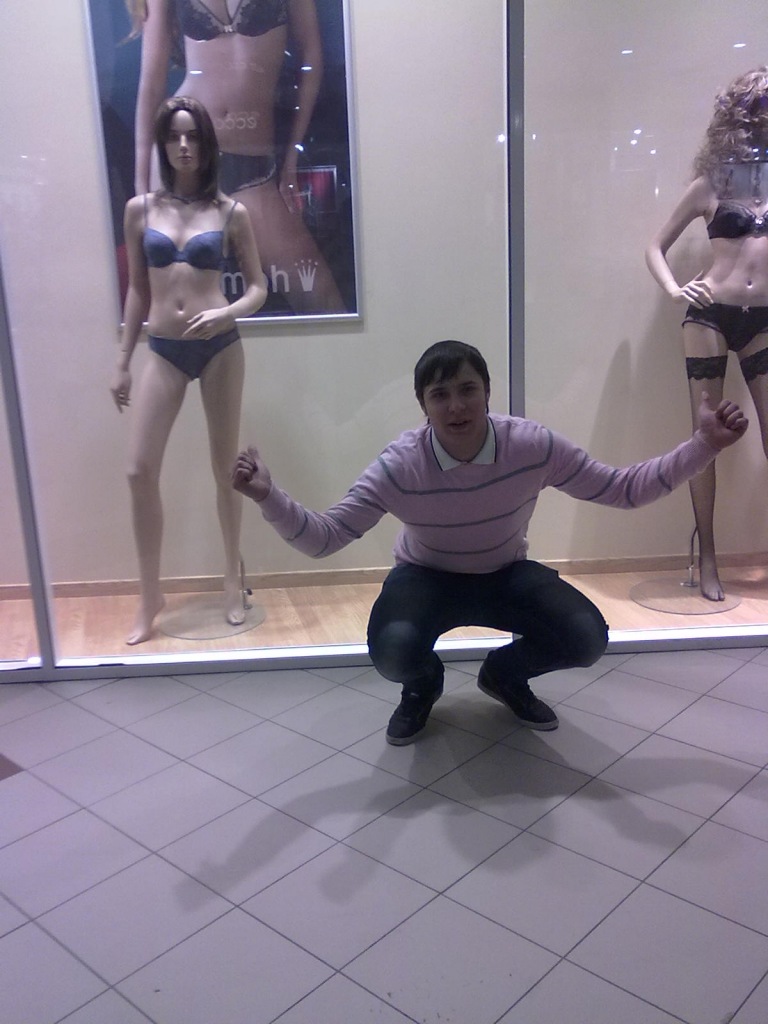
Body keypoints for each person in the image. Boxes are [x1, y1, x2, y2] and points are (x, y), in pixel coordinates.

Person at [232, 339, 748, 745]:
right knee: (392, 651)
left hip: (505, 574)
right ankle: (423, 685)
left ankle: (503, 676)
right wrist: (267, 495)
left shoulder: (531, 446)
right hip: (426, 578)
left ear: (487, 392)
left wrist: (705, 444)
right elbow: (324, 539)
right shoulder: (400, 466)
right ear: (422, 405)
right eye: (440, 394)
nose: (456, 406)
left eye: (467, 389)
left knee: (586, 637)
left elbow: (624, 489)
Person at [111, 95, 268, 645]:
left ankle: (232, 578)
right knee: (138, 470)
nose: (183, 146)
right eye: (174, 136)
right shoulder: (140, 210)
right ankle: (149, 593)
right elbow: (137, 290)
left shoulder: (230, 212)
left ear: (206, 144)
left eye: (193, 136)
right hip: (163, 349)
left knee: (226, 470)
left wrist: (227, 311)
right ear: (162, 143)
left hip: (219, 346)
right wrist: (122, 360)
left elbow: (258, 287)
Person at [125, 0, 347, 315]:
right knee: (180, 309)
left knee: (323, 302)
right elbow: (151, 83)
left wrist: (292, 157)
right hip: (181, 158)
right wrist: (141, 189)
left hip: (253, 164)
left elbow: (312, 57)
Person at [646, 66, 768, 601]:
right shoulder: (713, 183)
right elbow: (655, 245)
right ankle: (709, 555)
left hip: (764, 319)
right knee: (707, 438)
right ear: (740, 114)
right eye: (759, 107)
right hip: (710, 314)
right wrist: (675, 289)